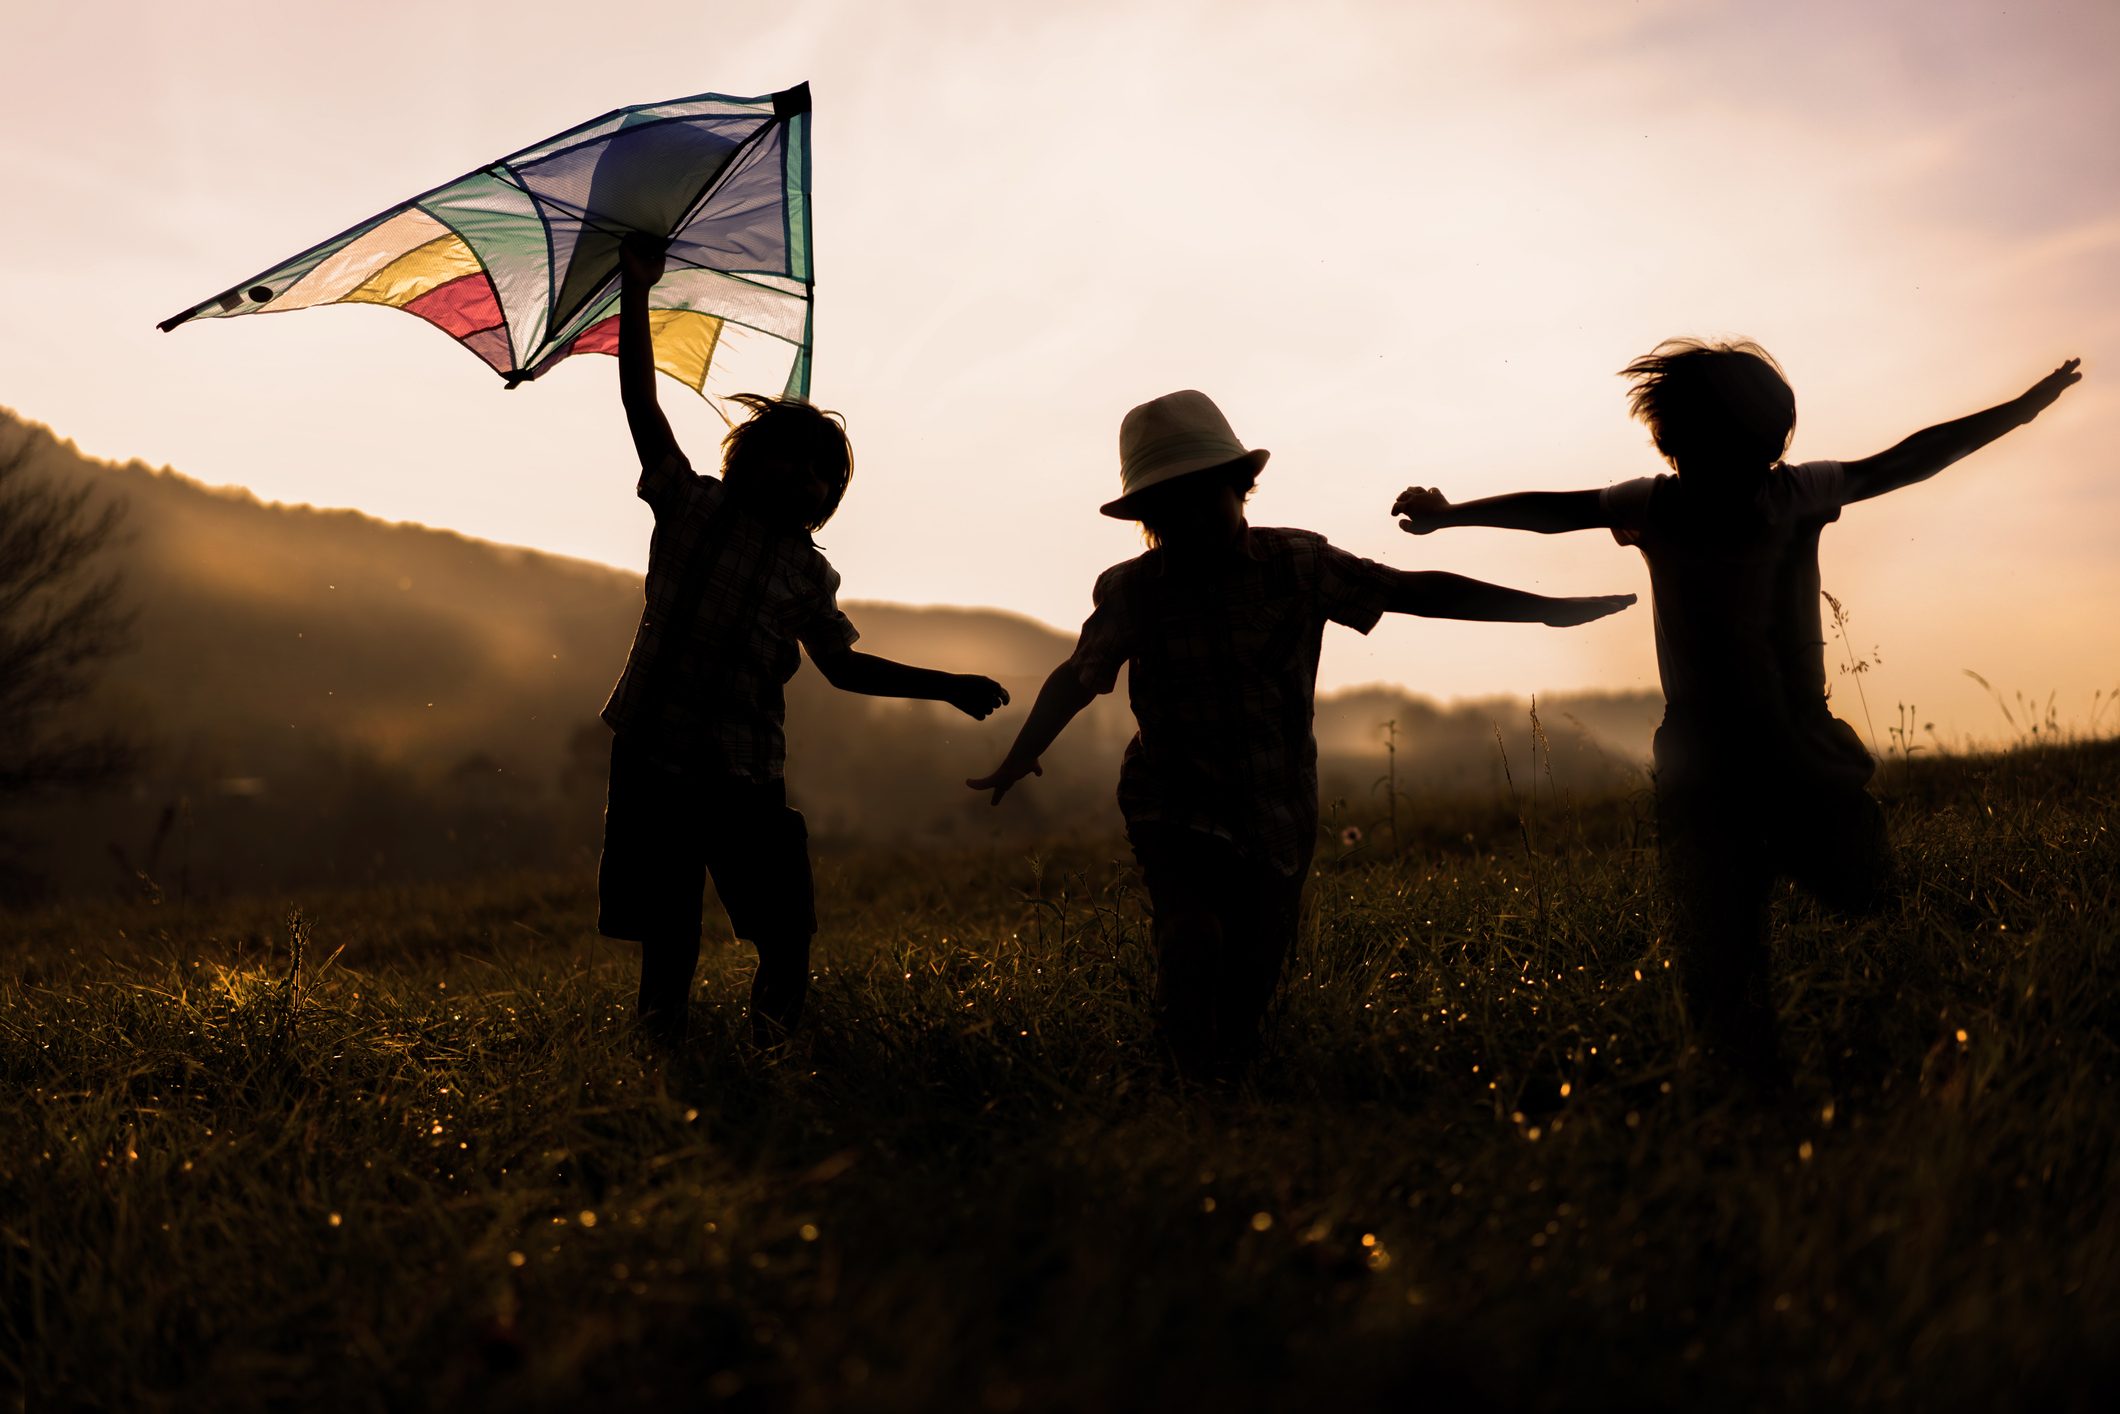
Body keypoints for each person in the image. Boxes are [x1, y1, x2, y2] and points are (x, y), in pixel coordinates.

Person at [1393, 342, 2082, 1079]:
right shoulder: (1677, 502)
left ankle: (1892, 1051)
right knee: (1723, 954)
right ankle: (1753, 1082)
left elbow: (1915, 456)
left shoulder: (1768, 496)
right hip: (1710, 757)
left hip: (1787, 750)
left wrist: (2020, 410)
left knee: (1863, 909)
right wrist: (1453, 516)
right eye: (1701, 451)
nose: (1716, 470)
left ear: (1761, 446)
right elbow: (1554, 512)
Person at [968, 390, 1635, 1079]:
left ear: (1241, 487)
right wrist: (1021, 754)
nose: (1191, 522)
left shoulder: (1300, 565)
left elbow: (1416, 590)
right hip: (1172, 800)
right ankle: (1182, 1080)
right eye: (1169, 512)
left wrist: (1544, 612)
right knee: (1190, 934)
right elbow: (1078, 676)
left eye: (1205, 499)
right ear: (1146, 520)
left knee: (1253, 977)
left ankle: (1228, 1073)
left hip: (1277, 806)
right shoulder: (1134, 591)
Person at [600, 234, 1009, 1046]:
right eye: (791, 461)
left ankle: (776, 1055)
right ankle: (664, 1055)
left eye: (823, 475)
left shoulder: (808, 576)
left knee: (787, 933)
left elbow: (843, 667)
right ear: (747, 460)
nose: (807, 480)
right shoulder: (692, 506)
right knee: (668, 934)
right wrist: (637, 292)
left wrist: (947, 685)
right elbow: (643, 408)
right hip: (654, 757)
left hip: (748, 773)